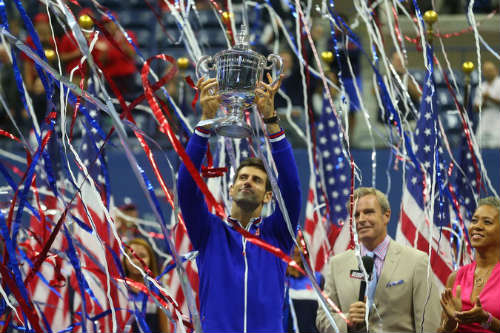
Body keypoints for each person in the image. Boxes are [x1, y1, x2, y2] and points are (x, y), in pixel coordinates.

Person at [177, 73, 302, 332]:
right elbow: (187, 188)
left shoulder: (277, 234)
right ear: (231, 190)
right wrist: (204, 123)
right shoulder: (209, 232)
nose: (248, 182)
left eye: (257, 180)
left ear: (269, 195)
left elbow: (291, 187)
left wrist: (270, 121)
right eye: (243, 178)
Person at [316, 187, 441, 332]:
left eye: (368, 212)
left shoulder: (417, 262)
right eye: (356, 215)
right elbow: (322, 319)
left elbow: (430, 325)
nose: (361, 219)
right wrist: (346, 320)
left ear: (386, 216)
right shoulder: (337, 265)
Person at [439, 196, 500, 333]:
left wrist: (486, 320)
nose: (477, 226)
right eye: (474, 220)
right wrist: (451, 321)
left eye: (487, 222)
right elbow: (442, 331)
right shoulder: (455, 277)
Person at [123, 238, 170, 333]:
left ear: (150, 260)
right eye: (131, 257)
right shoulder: (120, 287)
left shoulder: (158, 288)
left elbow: (164, 326)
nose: (136, 261)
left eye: (142, 256)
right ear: (124, 260)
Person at [284, 243, 324, 333]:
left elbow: (323, 316)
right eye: (291, 246)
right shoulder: (278, 279)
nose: (295, 250)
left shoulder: (317, 278)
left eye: (298, 246)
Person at [473, 61, 500, 148]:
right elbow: (476, 108)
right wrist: (484, 100)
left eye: (490, 70)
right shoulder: (481, 86)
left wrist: (489, 97)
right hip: (484, 119)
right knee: (479, 146)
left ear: (496, 71)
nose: (488, 73)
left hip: (497, 119)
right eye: (486, 71)